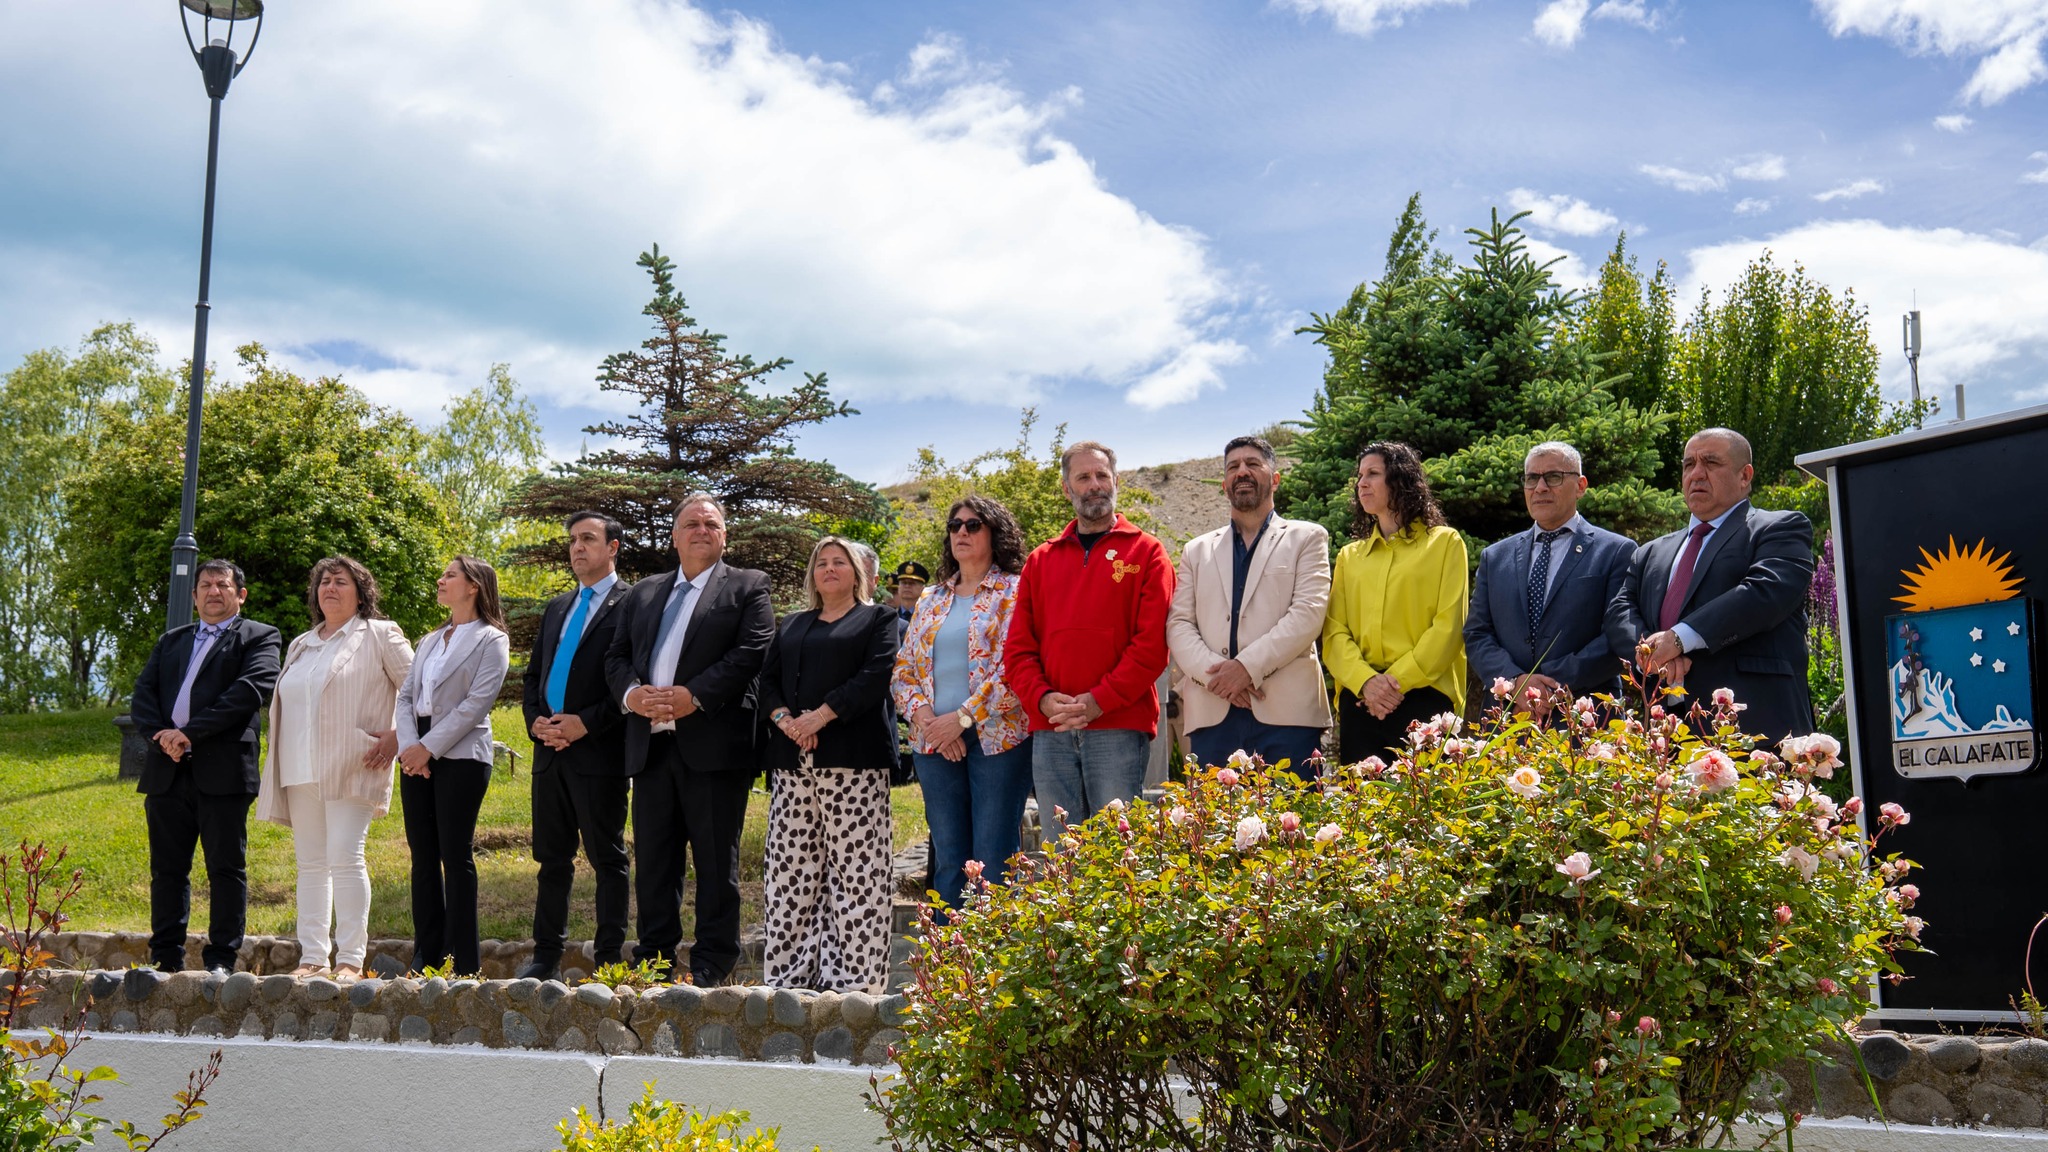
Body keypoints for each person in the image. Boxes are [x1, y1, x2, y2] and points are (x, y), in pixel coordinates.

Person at [605, 492, 775, 985]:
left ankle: (712, 963)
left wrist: (694, 696)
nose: (702, 530)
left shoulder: (748, 585)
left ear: (724, 536)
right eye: (692, 524)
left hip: (714, 749)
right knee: (655, 861)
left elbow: (751, 651)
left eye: (712, 524)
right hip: (651, 746)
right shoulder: (644, 592)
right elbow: (616, 656)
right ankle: (655, 960)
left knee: (716, 861)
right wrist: (633, 696)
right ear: (675, 536)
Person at [254, 556, 413, 979]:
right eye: (324, 581)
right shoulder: (302, 644)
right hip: (298, 765)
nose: (329, 587)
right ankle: (312, 958)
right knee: (310, 863)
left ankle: (350, 959)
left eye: (340, 581)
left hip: (355, 760)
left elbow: (417, 688)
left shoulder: (379, 634)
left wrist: (399, 736)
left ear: (361, 593)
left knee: (345, 856)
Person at [1604, 427, 1815, 744]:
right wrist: (1651, 652)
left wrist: (1679, 639)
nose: (1697, 474)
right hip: (1663, 738)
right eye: (1689, 464)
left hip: (1754, 733)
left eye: (1711, 463)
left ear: (1745, 476)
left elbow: (1765, 592)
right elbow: (1619, 611)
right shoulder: (1650, 553)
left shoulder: (1779, 528)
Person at [1005, 441, 1174, 834]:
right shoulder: (1040, 561)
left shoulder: (1148, 552)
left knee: (1116, 850)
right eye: (1083, 477)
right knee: (1061, 851)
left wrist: (1100, 700)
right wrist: (1042, 699)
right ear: (1067, 488)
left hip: (1118, 726)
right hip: (1052, 728)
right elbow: (1018, 649)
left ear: (1116, 482)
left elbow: (1152, 646)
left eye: (1102, 475)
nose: (1094, 484)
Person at [758, 536, 900, 991]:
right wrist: (787, 722)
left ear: (857, 574)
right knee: (790, 872)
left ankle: (856, 984)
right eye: (822, 563)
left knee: (857, 874)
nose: (830, 569)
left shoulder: (878, 619)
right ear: (812, 575)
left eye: (840, 562)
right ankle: (788, 979)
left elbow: (874, 677)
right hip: (792, 763)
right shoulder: (793, 623)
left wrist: (820, 716)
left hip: (853, 763)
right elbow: (767, 681)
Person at [129, 559, 282, 972]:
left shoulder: (259, 636)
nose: (213, 591)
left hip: (223, 771)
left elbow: (249, 691)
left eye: (222, 584)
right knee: (167, 870)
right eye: (205, 585)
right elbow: (143, 695)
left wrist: (189, 733)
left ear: (240, 594)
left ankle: (221, 959)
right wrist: (162, 737)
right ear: (194, 596)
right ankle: (165, 958)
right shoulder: (172, 641)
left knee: (225, 868)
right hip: (166, 770)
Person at [892, 494, 1032, 908]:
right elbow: (903, 671)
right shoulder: (931, 598)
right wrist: (931, 723)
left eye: (973, 525)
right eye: (955, 526)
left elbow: (1016, 668)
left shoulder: (1017, 590)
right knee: (949, 859)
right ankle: (946, 949)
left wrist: (963, 719)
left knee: (993, 857)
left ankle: (993, 948)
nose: (962, 532)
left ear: (995, 533)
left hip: (997, 741)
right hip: (934, 743)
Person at [1167, 436, 1331, 774]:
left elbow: (1308, 614)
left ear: (1275, 479)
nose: (1242, 471)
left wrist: (1245, 668)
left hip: (1288, 716)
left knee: (1295, 809)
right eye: (1233, 467)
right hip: (1213, 713)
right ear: (1224, 485)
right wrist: (1217, 677)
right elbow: (1179, 624)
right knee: (1214, 811)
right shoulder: (1196, 551)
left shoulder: (1307, 538)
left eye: (1253, 464)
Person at [518, 512, 634, 981]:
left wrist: (584, 724)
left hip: (598, 753)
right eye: (572, 540)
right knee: (551, 861)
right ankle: (545, 957)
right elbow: (533, 678)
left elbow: (631, 682)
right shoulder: (558, 607)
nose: (577, 547)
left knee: (607, 859)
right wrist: (535, 723)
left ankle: (608, 958)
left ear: (613, 548)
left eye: (588, 538)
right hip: (549, 754)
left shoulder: (632, 604)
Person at [393, 556, 511, 976]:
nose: (440, 580)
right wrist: (410, 747)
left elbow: (476, 705)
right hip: (416, 750)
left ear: (473, 586)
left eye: (450, 575)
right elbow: (405, 697)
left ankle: (464, 962)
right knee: (422, 856)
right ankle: (426, 955)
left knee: (455, 855)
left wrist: (428, 748)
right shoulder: (429, 640)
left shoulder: (492, 639)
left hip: (460, 754)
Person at [1464, 442, 1636, 722]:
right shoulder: (1495, 557)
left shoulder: (1617, 551)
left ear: (1580, 486)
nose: (1540, 487)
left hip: (1584, 716)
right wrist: (1515, 682)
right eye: (1531, 478)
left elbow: (1618, 638)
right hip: (1508, 714)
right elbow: (1477, 633)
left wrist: (1545, 686)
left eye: (1553, 477)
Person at [1323, 442, 1469, 761]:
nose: (1361, 483)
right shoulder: (1350, 557)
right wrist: (1366, 682)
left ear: (1400, 479)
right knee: (1361, 795)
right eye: (1360, 476)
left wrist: (1393, 683)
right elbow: (1334, 635)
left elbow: (1448, 628)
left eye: (1373, 474)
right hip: (1362, 703)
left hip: (1425, 700)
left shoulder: (1445, 544)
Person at [889, 561, 929, 627]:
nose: (907, 586)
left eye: (912, 583)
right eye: (904, 583)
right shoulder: (890, 616)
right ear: (899, 587)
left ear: (922, 589)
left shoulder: (928, 617)